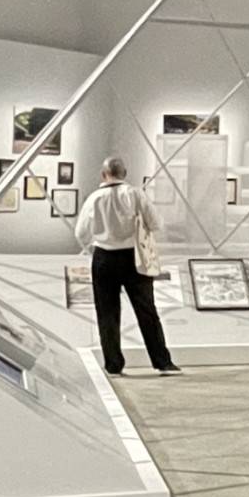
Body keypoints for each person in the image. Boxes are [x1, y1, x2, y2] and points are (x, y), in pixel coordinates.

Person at [74, 156, 180, 377]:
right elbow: (156, 223)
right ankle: (162, 362)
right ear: (125, 173)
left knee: (107, 313)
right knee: (146, 310)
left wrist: (95, 243)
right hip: (134, 256)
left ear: (104, 174)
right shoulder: (135, 194)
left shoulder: (94, 198)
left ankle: (113, 364)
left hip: (103, 258)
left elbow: (81, 232)